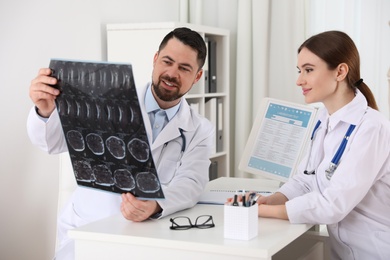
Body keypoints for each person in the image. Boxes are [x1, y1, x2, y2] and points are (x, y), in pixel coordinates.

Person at [27, 27, 214, 259]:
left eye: (184, 68)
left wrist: (155, 206)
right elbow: (51, 144)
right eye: (167, 61)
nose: (172, 73)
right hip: (89, 233)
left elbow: (192, 182)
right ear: (155, 59)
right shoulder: (106, 101)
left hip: (147, 239)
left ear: (197, 76)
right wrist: (45, 110)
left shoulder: (200, 129)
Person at [230, 31, 390, 259]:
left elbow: (333, 205)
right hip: (343, 251)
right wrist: (273, 199)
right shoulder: (323, 119)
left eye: (309, 70)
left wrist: (263, 211)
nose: (299, 80)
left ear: (340, 71)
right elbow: (307, 180)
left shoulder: (372, 128)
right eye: (299, 71)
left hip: (375, 251)